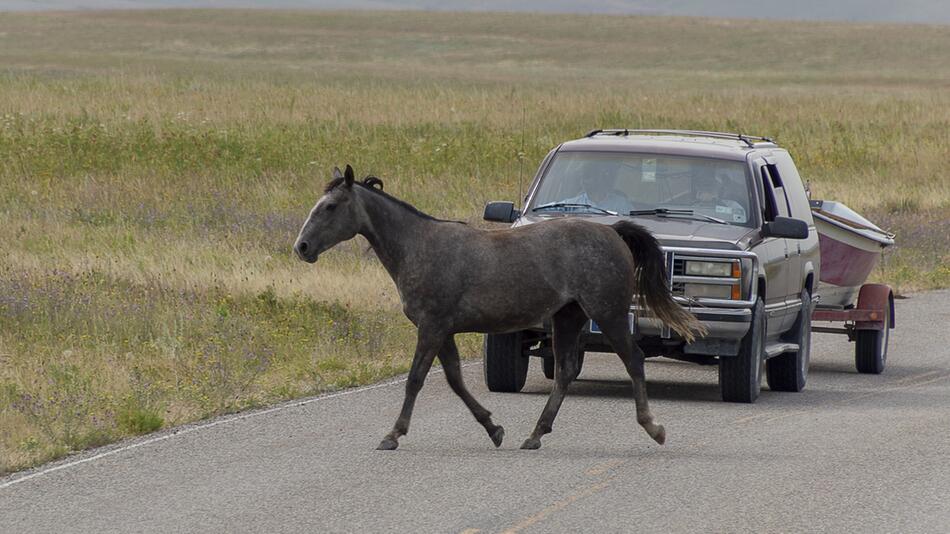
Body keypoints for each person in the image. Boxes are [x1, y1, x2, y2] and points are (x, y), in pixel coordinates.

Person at [559, 162, 633, 214]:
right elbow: (551, 208)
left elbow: (634, 220)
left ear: (598, 178)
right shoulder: (574, 204)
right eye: (581, 178)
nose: (582, 182)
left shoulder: (620, 203)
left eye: (587, 177)